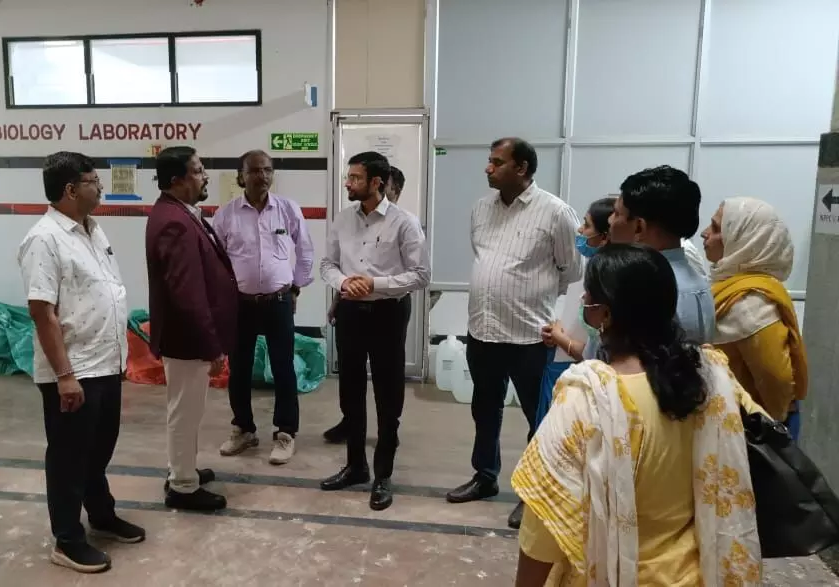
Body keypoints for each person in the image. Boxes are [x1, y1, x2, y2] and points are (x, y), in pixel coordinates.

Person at [511, 243, 764, 587]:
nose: (583, 300)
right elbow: (759, 441)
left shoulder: (585, 399)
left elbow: (543, 525)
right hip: (698, 575)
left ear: (605, 314)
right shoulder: (714, 380)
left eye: (588, 295)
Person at [16, 152, 144, 574]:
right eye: (93, 181)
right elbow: (42, 311)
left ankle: (101, 515)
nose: (101, 187)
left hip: (105, 362)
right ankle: (67, 539)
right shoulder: (44, 239)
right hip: (74, 370)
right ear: (70, 189)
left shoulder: (91, 228)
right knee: (69, 457)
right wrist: (65, 376)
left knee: (99, 449)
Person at [448, 138, 582, 533]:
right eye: (489, 161)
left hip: (531, 337)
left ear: (521, 168)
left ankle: (535, 493)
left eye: (496, 162)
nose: (487, 168)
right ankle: (485, 476)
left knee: (539, 419)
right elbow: (485, 259)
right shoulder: (481, 209)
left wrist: (546, 310)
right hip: (483, 331)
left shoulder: (555, 212)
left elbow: (572, 271)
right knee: (485, 410)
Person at [318, 151, 431, 511]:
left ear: (376, 182)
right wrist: (343, 282)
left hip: (387, 314)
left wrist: (375, 284)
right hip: (350, 312)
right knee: (350, 393)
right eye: (348, 177)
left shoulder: (404, 223)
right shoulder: (342, 219)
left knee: (388, 395)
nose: (348, 183)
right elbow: (327, 264)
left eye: (355, 178)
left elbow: (420, 275)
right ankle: (356, 466)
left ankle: (383, 474)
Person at [146, 146, 238, 511]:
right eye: (197, 171)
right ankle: (183, 487)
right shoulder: (174, 221)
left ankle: (182, 469)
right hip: (186, 340)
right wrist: (210, 345)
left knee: (186, 412)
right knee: (185, 413)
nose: (205, 177)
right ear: (176, 180)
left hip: (186, 338)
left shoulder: (180, 213)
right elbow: (187, 293)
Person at [211, 150, 314, 465]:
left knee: (284, 368)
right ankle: (243, 429)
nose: (263, 176)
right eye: (255, 171)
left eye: (267, 170)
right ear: (241, 176)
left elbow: (305, 250)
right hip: (240, 305)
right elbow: (216, 262)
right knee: (239, 369)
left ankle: (285, 432)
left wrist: (296, 287)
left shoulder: (287, 209)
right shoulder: (226, 215)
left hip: (278, 302)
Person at [702, 197, 807, 438]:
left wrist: (771, 424)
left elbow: (776, 379)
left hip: (751, 428)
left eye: (716, 228)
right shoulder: (732, 286)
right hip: (733, 419)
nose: (705, 233)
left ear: (746, 240)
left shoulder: (750, 302)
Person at [606, 165, 715, 345]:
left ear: (639, 227)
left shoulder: (641, 288)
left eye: (617, 213)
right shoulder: (699, 283)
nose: (610, 220)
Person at [537, 197, 615, 424]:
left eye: (587, 225)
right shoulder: (589, 267)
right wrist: (557, 330)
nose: (580, 230)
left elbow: (595, 349)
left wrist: (561, 338)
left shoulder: (607, 279)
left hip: (585, 372)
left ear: (604, 236)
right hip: (563, 361)